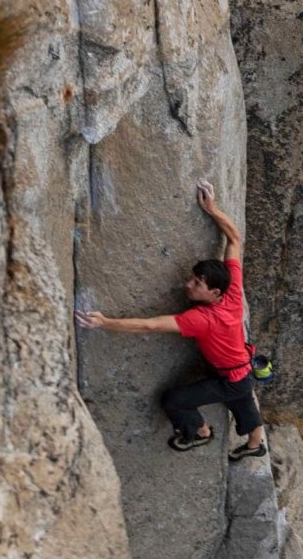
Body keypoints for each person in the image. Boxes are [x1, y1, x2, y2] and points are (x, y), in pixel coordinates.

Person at [76, 183, 266, 460]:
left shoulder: (202, 319)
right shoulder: (232, 290)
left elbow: (150, 325)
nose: (188, 284)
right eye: (193, 278)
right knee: (242, 395)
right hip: (241, 369)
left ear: (214, 292)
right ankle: (254, 445)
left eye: (197, 284)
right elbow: (234, 239)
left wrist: (105, 322)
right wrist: (211, 209)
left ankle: (200, 433)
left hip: (232, 375)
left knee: (175, 400)